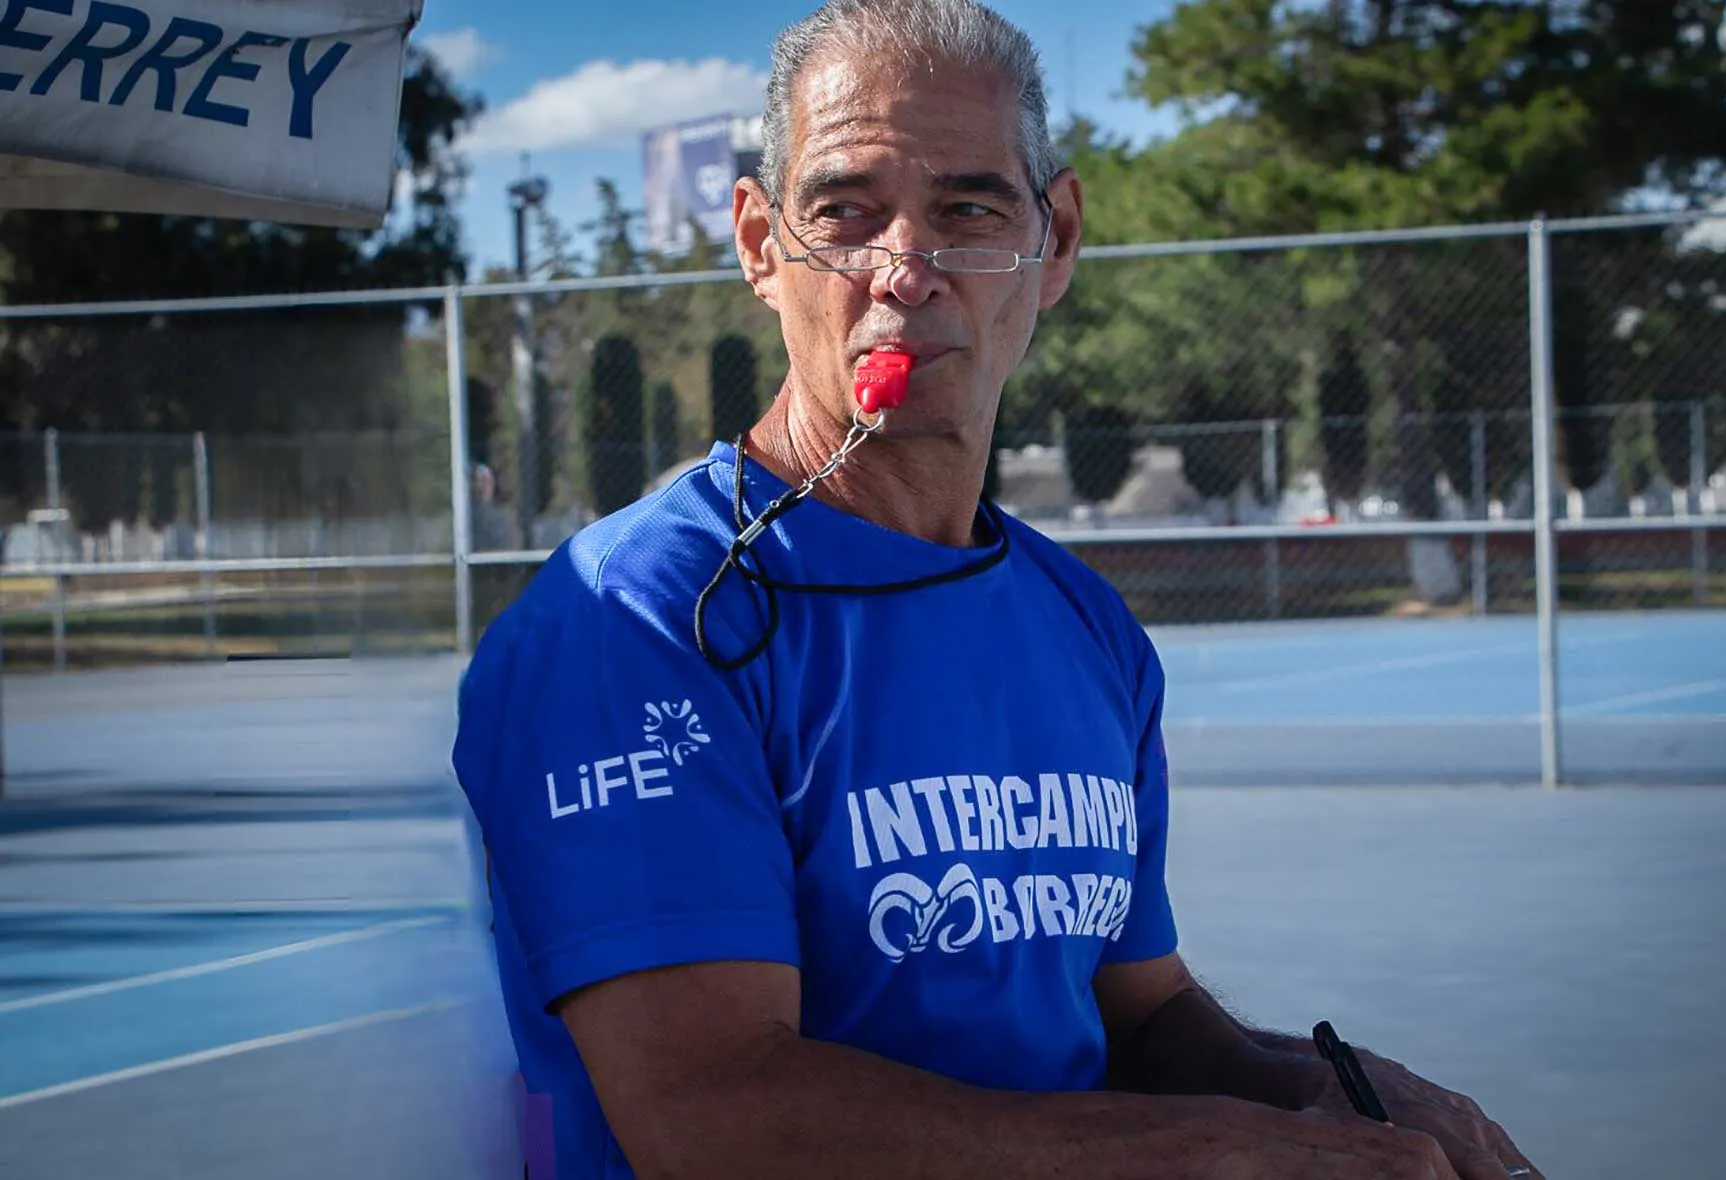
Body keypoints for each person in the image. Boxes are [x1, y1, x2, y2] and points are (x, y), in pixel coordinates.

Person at [450, 1, 1545, 1177]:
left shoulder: (1084, 626)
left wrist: (1337, 1097)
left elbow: (1142, 1010)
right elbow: (715, 1111)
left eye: (968, 208)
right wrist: (1219, 1153)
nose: (904, 270)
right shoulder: (637, 623)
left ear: (1055, 238)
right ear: (762, 244)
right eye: (844, 210)